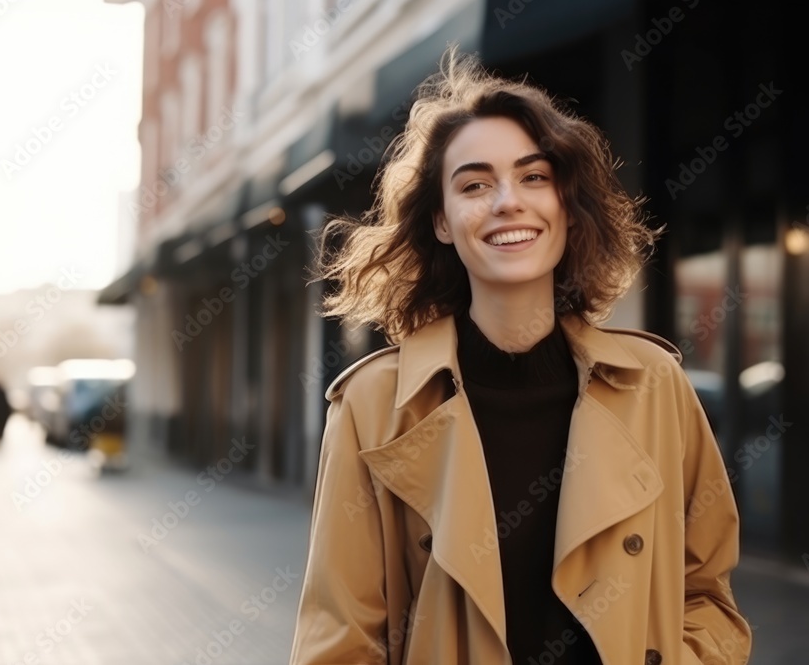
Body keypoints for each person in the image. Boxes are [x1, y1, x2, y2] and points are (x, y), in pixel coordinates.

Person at [291, 45, 751, 664]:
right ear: (442, 222)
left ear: (565, 204)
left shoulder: (656, 386)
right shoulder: (374, 405)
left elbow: (708, 595)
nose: (508, 201)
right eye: (475, 184)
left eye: (534, 177)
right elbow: (341, 642)